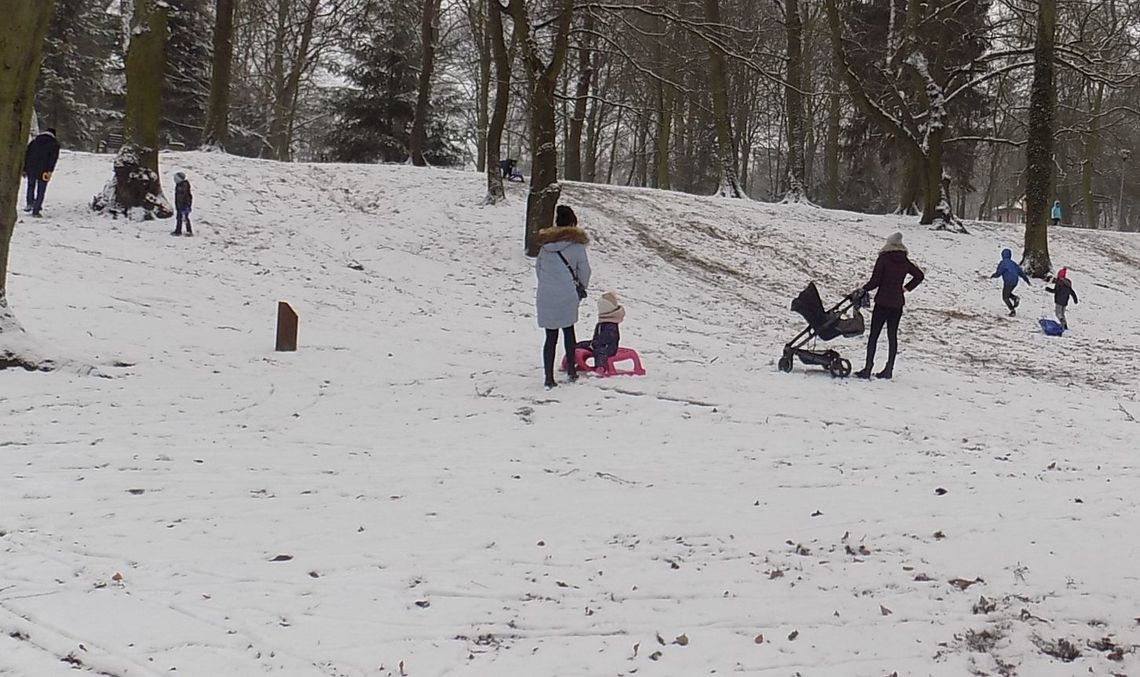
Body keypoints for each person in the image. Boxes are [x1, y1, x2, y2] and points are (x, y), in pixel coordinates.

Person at [854, 232, 924, 380]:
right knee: (892, 336)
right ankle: (889, 369)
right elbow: (919, 275)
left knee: (874, 336)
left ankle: (868, 368)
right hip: (897, 304)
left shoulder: (884, 259)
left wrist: (862, 290)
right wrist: (906, 288)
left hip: (882, 303)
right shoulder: (905, 261)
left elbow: (875, 281)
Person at [535, 205, 591, 388]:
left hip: (546, 295)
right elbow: (585, 271)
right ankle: (572, 371)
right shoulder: (576, 247)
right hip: (567, 294)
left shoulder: (545, 247)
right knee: (568, 331)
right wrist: (581, 288)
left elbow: (539, 269)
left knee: (550, 336)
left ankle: (548, 378)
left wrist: (547, 285)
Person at [23, 128, 61, 218]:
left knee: (30, 185)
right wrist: (50, 171)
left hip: (31, 168)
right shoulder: (54, 144)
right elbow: (53, 159)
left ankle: (29, 203)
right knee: (41, 190)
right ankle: (36, 210)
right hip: (44, 170)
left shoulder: (34, 142)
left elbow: (26, 154)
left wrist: (24, 168)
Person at [590, 291, 625, 373]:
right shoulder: (603, 321)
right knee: (581, 344)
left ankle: (601, 367)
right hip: (598, 344)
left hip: (609, 347)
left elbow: (607, 338)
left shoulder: (610, 325)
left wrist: (595, 344)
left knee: (600, 352)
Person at [991, 248, 1031, 316]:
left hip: (1008, 281)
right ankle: (1015, 298)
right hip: (1015, 281)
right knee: (1007, 293)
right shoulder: (1013, 263)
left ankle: (1012, 310)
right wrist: (1026, 280)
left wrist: (994, 275)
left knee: (1005, 297)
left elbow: (999, 273)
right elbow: (1020, 272)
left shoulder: (1003, 263)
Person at [172, 172, 193, 236]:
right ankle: (178, 230)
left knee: (184, 218)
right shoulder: (179, 185)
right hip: (180, 205)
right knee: (179, 218)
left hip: (184, 205)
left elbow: (185, 197)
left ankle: (188, 231)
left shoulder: (183, 186)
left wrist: (186, 205)